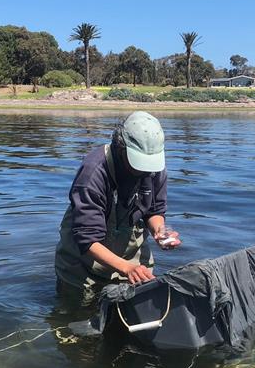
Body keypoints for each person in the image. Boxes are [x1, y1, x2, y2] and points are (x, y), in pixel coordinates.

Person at [55, 111, 181, 304]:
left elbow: (154, 210)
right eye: (138, 164)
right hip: (82, 266)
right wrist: (126, 268)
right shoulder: (93, 172)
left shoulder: (155, 168)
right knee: (77, 313)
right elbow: (87, 238)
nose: (144, 171)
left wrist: (160, 231)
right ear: (120, 148)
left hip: (132, 260)